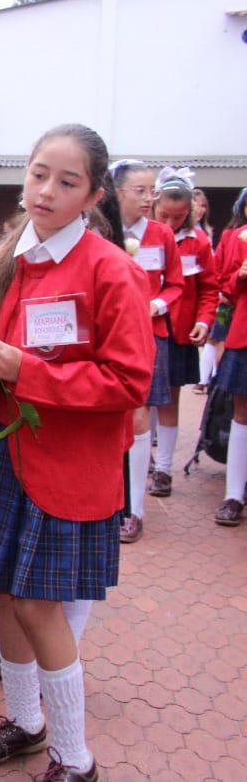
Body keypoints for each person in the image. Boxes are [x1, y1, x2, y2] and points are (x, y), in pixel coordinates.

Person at [0, 124, 152, 781]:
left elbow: (129, 382)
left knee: (38, 605)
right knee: (9, 594)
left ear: (94, 193)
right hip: (8, 457)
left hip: (66, 467)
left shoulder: (111, 270)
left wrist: (24, 370)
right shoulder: (2, 261)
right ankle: (26, 722)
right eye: (40, 173)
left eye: (67, 182)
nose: (46, 190)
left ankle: (76, 756)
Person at [113, 159, 183, 543]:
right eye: (139, 190)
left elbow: (175, 284)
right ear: (117, 191)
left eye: (150, 190)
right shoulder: (101, 232)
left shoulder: (161, 235)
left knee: (141, 415)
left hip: (149, 331)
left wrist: (158, 304)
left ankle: (134, 510)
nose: (147, 198)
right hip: (111, 332)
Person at [149, 169, 216, 497]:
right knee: (140, 400)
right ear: (154, 205)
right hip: (144, 327)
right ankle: (141, 460)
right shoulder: (142, 236)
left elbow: (208, 288)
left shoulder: (198, 241)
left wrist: (203, 321)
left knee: (168, 399)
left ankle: (163, 469)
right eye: (165, 215)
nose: (172, 222)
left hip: (178, 333)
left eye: (179, 216)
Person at [209, 188, 247, 527]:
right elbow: (222, 284)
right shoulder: (236, 238)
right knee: (242, 411)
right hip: (244, 333)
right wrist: (240, 276)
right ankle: (233, 494)